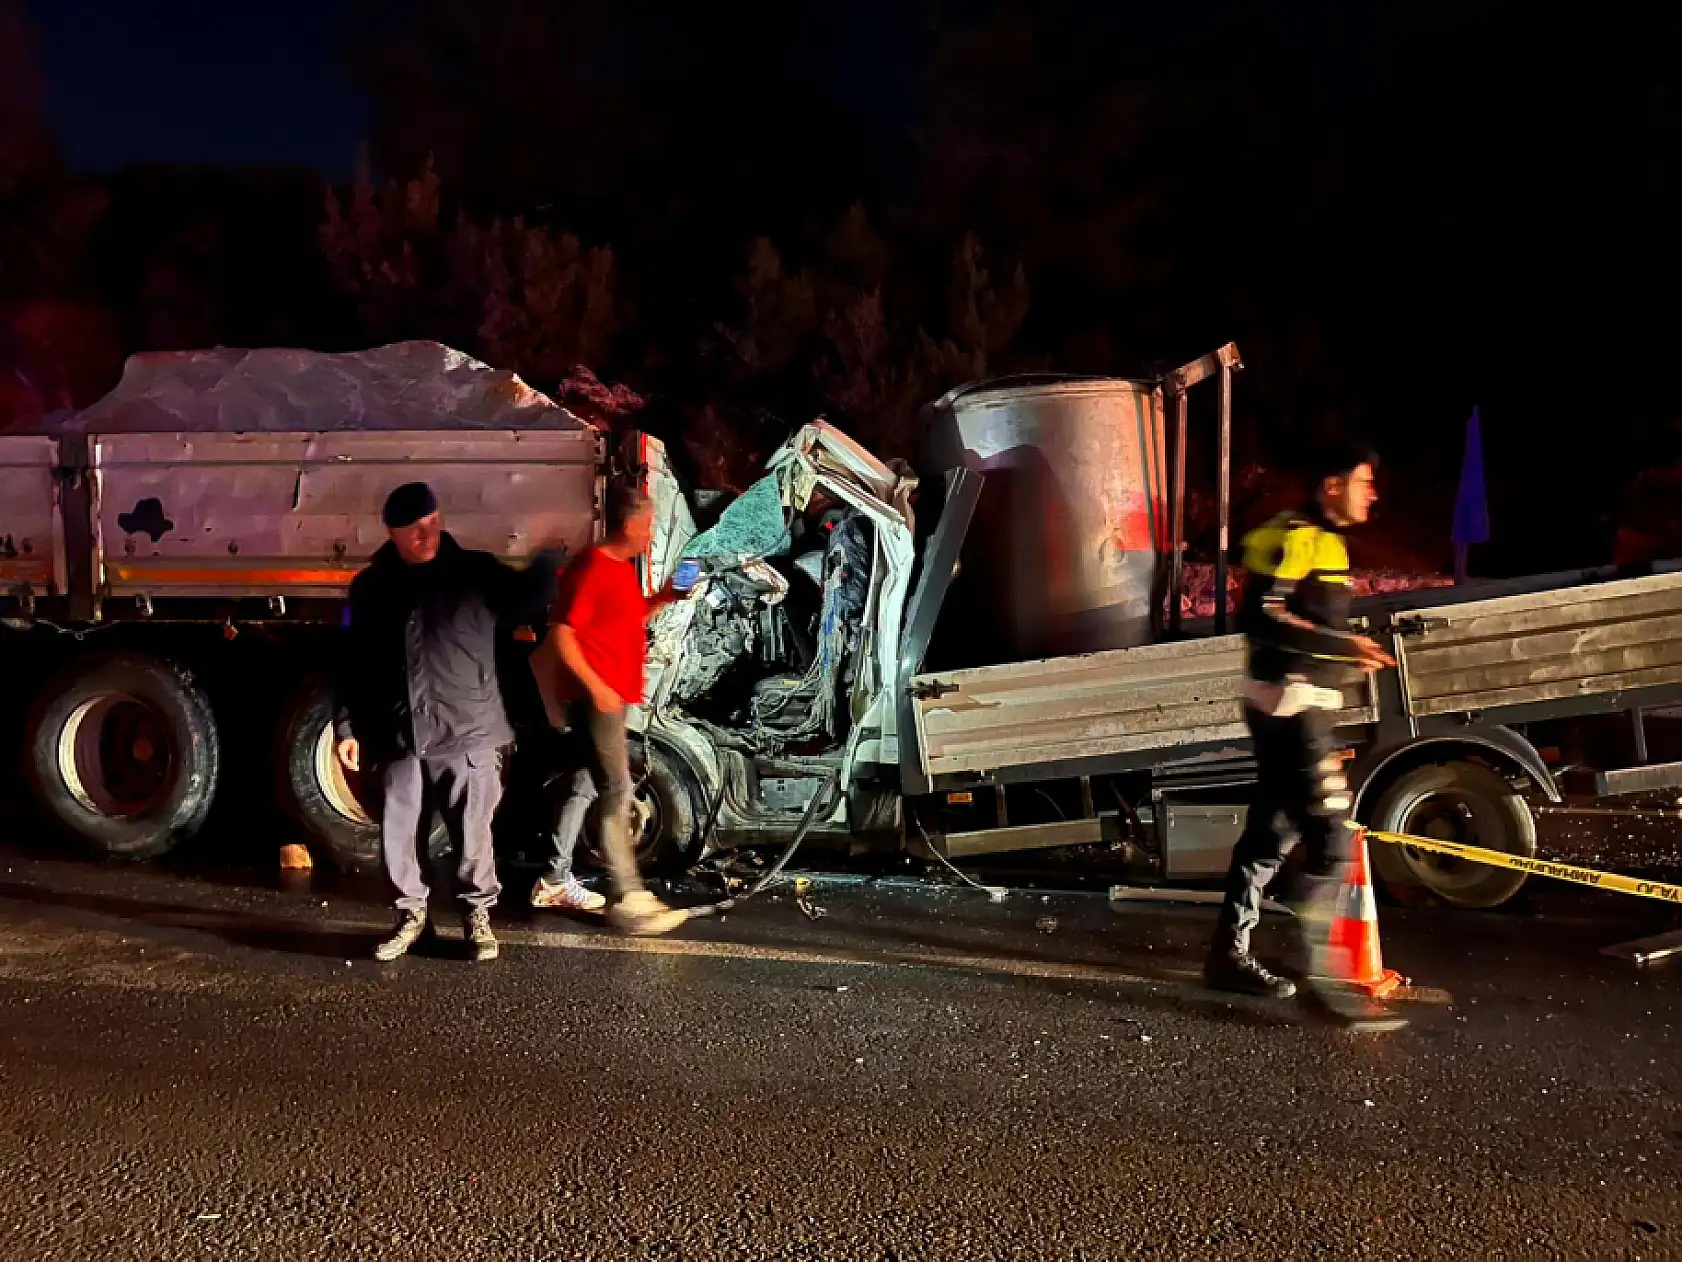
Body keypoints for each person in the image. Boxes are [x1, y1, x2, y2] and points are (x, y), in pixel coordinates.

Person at [1204, 442, 1398, 1015]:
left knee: (1271, 835)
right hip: (1291, 705)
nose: (1372, 494)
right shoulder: (1297, 536)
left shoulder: (1328, 542)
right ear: (1332, 485)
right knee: (1332, 835)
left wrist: (1341, 650)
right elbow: (1260, 616)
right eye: (1364, 481)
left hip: (1301, 704)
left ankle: (1229, 956)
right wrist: (1343, 645)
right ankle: (1327, 976)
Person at [334, 482, 559, 963]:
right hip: (398, 734)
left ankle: (477, 916)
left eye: (432, 523)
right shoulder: (370, 588)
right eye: (414, 529)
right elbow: (350, 662)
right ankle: (411, 916)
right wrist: (347, 728)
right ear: (392, 533)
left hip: (467, 728)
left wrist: (547, 562)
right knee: (398, 833)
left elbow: (526, 599)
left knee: (472, 831)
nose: (427, 535)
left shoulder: (475, 572)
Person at [529, 486, 692, 935]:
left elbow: (626, 619)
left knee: (585, 785)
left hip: (612, 698)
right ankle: (630, 896)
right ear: (628, 526)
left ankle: (553, 878)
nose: (651, 534)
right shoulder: (591, 567)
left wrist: (664, 598)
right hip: (597, 703)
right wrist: (597, 688)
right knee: (618, 792)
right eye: (647, 526)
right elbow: (562, 634)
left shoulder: (619, 570)